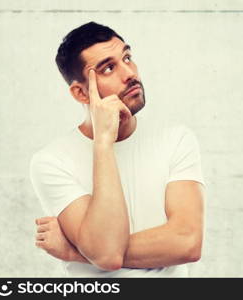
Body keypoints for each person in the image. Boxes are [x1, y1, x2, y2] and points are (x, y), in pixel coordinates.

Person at [29, 22, 205, 277]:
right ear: (80, 93)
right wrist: (103, 142)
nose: (129, 73)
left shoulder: (176, 140)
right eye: (109, 68)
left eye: (127, 57)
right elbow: (107, 253)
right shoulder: (52, 161)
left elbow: (187, 243)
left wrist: (78, 251)